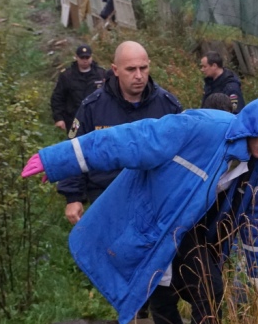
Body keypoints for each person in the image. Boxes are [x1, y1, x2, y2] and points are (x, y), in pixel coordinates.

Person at [22, 95, 258, 324]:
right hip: (156, 223)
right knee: (161, 294)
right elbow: (130, 140)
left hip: (195, 231)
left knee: (208, 291)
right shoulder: (201, 129)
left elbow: (257, 212)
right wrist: (57, 160)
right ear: (253, 125)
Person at [58, 41, 182, 225]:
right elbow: (74, 151)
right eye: (131, 69)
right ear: (115, 70)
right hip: (106, 196)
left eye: (143, 68)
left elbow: (185, 154)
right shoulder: (93, 107)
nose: (139, 76)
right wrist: (73, 196)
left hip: (155, 199)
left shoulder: (168, 106)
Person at [50, 45, 105, 134]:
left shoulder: (101, 74)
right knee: (74, 143)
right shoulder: (67, 76)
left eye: (87, 57)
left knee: (97, 143)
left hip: (96, 119)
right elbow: (57, 98)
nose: (85, 60)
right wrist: (59, 118)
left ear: (91, 57)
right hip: (74, 120)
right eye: (82, 57)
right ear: (76, 57)